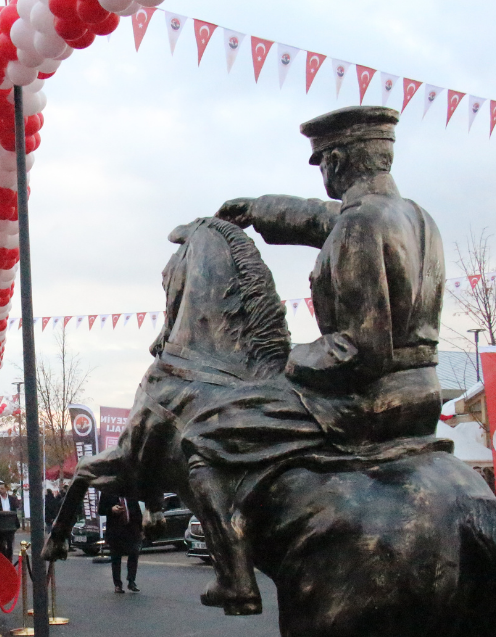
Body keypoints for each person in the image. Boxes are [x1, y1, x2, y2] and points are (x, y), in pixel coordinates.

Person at [183, 106, 446, 609]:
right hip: (422, 391)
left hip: (370, 399)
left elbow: (361, 349)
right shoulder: (413, 214)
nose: (321, 170)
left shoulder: (360, 225)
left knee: (206, 435)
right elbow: (324, 219)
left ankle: (235, 579)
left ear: (339, 159)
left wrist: (289, 360)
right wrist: (259, 209)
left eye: (323, 160)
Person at [99, 490, 141, 593]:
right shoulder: (107, 493)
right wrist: (111, 509)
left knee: (134, 554)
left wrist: (141, 529)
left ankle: (131, 581)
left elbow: (137, 510)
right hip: (115, 531)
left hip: (131, 530)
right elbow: (100, 510)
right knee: (116, 558)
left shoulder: (130, 492)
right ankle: (117, 584)